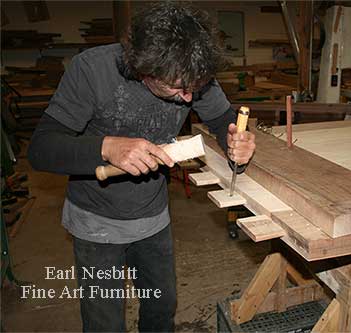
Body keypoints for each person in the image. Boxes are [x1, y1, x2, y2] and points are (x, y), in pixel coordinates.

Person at [27, 2, 255, 332]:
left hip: (154, 218)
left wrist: (237, 139)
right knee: (105, 323)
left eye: (195, 88)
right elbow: (41, 149)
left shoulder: (189, 72)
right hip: (96, 223)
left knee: (162, 311)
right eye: (178, 88)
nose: (189, 99)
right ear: (144, 70)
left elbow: (222, 119)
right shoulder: (93, 70)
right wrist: (106, 147)